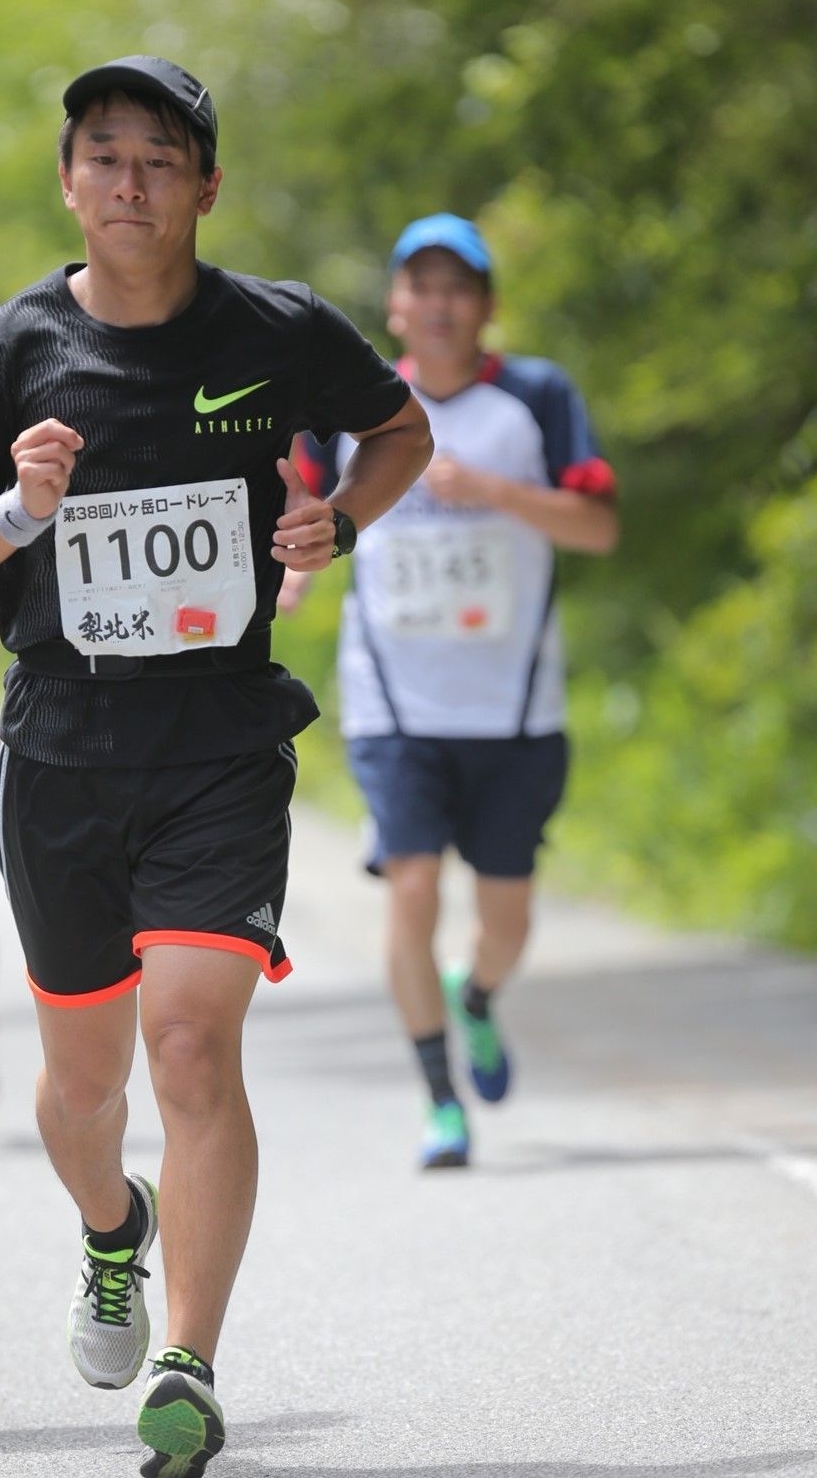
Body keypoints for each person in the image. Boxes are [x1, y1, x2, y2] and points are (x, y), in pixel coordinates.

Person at [0, 56, 432, 1477]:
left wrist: (339, 524)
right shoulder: (5, 348)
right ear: (68, 182)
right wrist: (19, 503)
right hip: (63, 750)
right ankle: (112, 1229)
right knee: (81, 1092)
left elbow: (397, 430)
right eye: (103, 155)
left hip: (222, 743)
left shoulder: (273, 329)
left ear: (202, 187)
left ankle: (189, 1361)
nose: (128, 181)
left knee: (190, 1041)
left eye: (157, 158)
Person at [290, 213, 619, 1170]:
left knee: (507, 921)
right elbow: (302, 512)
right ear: (394, 304)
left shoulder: (534, 398)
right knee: (413, 886)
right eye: (420, 287)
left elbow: (597, 527)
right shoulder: (355, 404)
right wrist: (294, 576)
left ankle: (474, 998)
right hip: (395, 703)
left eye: (457, 288)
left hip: (514, 706)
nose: (437, 305)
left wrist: (498, 493)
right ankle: (440, 1099)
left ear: (483, 305)